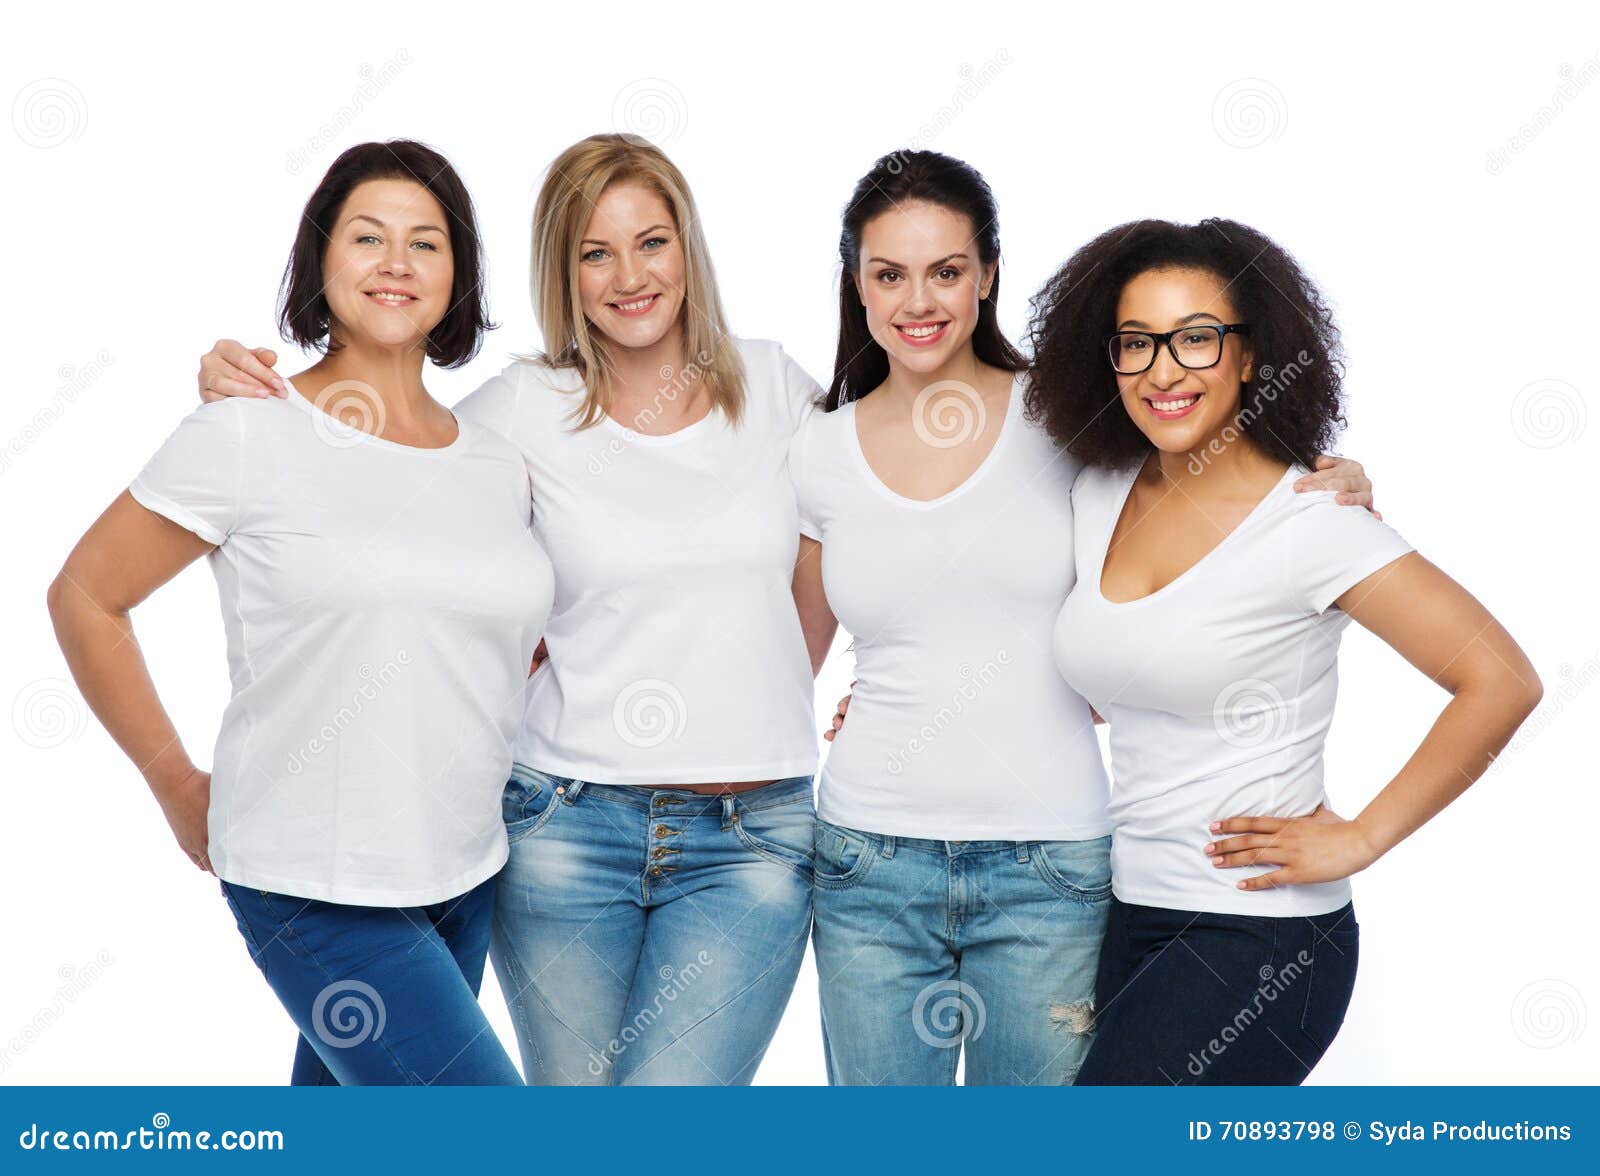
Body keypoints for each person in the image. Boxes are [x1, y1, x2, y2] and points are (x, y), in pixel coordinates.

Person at [48, 140, 551, 1084]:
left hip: (467, 868)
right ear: (321, 261)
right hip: (310, 881)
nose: (396, 262)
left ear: (461, 275)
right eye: (368, 237)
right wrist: (171, 782)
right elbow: (84, 595)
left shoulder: (493, 457)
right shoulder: (246, 429)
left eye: (426, 243)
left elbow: (497, 630)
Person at [1032, 218, 1542, 1084]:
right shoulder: (1096, 491)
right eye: (1136, 343)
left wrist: (1362, 838)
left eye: (1197, 339)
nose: (1164, 370)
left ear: (1250, 356)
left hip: (1261, 936)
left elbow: (1501, 680)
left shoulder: (1312, 522)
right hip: (1130, 912)